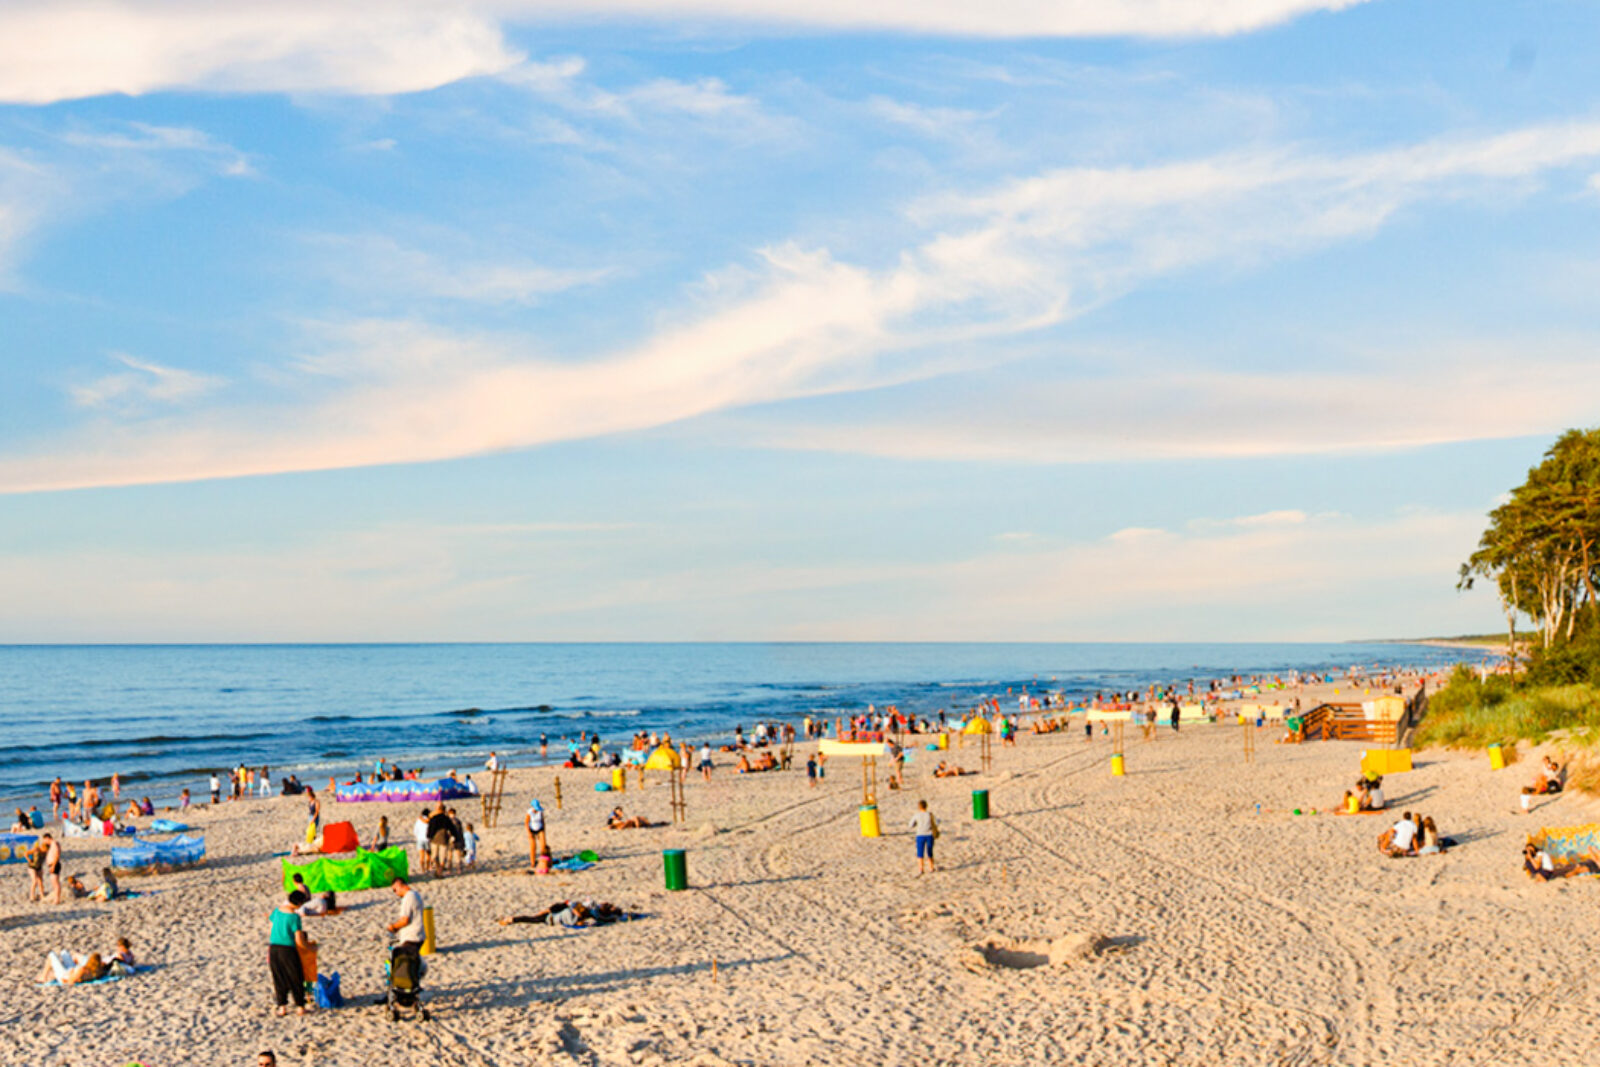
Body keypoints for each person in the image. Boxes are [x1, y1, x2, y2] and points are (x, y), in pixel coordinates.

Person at [268, 890, 315, 1015]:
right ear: (299, 903)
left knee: (279, 978)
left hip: (273, 948)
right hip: (288, 949)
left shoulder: (277, 911)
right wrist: (310, 948)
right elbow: (299, 939)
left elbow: (271, 925)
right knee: (295, 977)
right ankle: (300, 1006)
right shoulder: (294, 917)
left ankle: (282, 1007)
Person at [387, 876, 426, 957]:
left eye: (395, 890)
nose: (395, 893)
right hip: (418, 936)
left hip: (412, 938)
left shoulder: (408, 897)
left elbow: (405, 920)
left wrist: (393, 927)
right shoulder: (415, 894)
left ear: (399, 885)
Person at [38, 949, 108, 986]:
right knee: (64, 952)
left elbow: (70, 981)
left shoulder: (83, 969)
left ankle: (43, 977)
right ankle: (52, 973)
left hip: (64, 976)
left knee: (51, 955)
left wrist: (71, 973)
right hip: (72, 970)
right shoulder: (98, 970)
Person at [910, 799, 937, 875]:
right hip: (929, 834)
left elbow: (910, 825)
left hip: (920, 835)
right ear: (926, 806)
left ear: (919, 807)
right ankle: (931, 868)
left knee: (920, 852)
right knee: (930, 851)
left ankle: (921, 869)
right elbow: (937, 822)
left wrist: (916, 824)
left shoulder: (917, 815)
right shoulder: (930, 814)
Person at [525, 798, 547, 869]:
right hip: (532, 829)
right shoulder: (529, 812)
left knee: (543, 846)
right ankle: (533, 863)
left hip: (540, 828)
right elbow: (526, 823)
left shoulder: (540, 812)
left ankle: (543, 861)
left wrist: (543, 830)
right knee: (533, 847)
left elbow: (542, 821)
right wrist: (529, 833)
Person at [43, 831, 62, 904]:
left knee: (55, 883)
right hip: (53, 864)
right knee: (54, 882)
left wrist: (53, 865)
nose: (45, 842)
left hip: (54, 864)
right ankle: (56, 898)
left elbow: (57, 854)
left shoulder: (54, 843)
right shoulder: (52, 844)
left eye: (45, 840)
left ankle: (57, 899)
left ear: (47, 838)